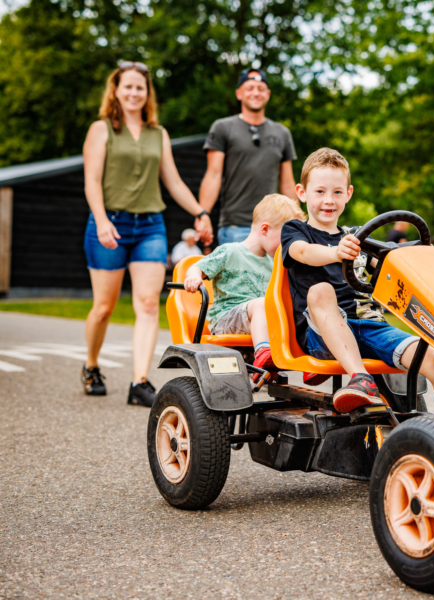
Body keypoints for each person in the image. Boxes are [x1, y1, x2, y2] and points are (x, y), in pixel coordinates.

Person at [281, 148, 434, 419]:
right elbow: (303, 253)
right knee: (321, 291)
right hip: (322, 336)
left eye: (337, 192)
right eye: (320, 191)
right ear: (302, 192)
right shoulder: (296, 231)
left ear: (348, 194)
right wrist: (336, 252)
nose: (329, 200)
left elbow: (386, 265)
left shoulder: (357, 237)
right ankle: (360, 379)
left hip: (370, 328)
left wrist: (418, 261)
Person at [82, 62, 213, 406]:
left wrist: (200, 211)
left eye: (139, 87)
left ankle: (139, 381)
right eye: (127, 86)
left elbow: (173, 181)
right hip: (109, 223)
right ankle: (91, 365)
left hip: (150, 227)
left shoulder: (159, 133)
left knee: (148, 303)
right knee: (104, 307)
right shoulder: (101, 129)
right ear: (116, 91)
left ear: (147, 93)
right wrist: (101, 220)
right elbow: (91, 181)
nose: (133, 92)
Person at [183, 194, 302, 371]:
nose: (287, 245)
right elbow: (196, 267)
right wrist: (194, 277)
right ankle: (263, 353)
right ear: (265, 229)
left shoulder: (274, 262)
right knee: (262, 304)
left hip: (258, 319)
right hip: (225, 320)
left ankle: (308, 355)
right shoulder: (230, 251)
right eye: (284, 239)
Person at [199, 68, 298, 245]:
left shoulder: (282, 133)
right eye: (250, 88)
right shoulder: (223, 127)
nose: (256, 93)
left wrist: (297, 223)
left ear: (268, 94)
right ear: (239, 94)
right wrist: (203, 214)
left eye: (260, 89)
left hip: (274, 227)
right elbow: (213, 175)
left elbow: (288, 184)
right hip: (235, 227)